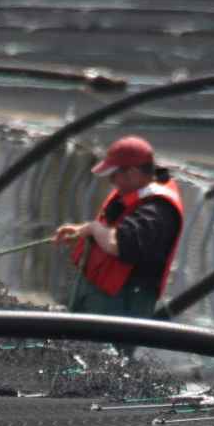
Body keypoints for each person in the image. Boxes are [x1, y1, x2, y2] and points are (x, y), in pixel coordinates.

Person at [52, 135, 184, 320]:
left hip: (122, 305)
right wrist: (82, 232)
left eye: (114, 175)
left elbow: (120, 243)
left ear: (132, 173)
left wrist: (93, 229)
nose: (111, 181)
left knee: (104, 350)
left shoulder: (158, 210)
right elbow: (111, 227)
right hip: (98, 296)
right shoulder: (134, 192)